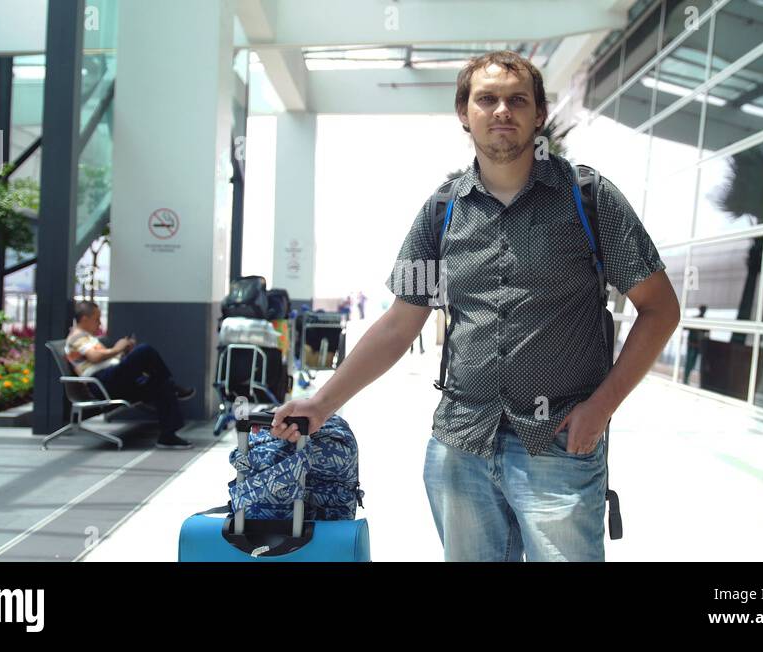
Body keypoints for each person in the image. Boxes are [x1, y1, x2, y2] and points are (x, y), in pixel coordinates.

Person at [262, 51, 680, 561]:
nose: (502, 110)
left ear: (539, 114)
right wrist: (320, 404)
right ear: (465, 112)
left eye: (517, 100)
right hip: (461, 445)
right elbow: (400, 324)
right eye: (487, 99)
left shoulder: (587, 198)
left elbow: (660, 308)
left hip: (560, 442)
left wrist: (602, 407)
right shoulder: (443, 211)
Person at [65, 300, 195, 449]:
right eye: (97, 319)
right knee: (144, 350)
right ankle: (174, 387)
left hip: (109, 379)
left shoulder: (87, 337)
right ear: (84, 319)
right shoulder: (77, 337)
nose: (100, 324)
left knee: (160, 384)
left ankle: (168, 436)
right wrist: (117, 349)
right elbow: (94, 357)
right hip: (102, 383)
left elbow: (100, 359)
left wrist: (123, 352)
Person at [683, 304, 709, 386]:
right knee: (689, 362)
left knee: (693, 363)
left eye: (704, 310)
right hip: (692, 345)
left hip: (698, 345)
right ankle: (685, 379)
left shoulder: (705, 321)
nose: (703, 311)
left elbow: (707, 332)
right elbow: (685, 327)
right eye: (702, 309)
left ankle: (686, 379)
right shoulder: (695, 319)